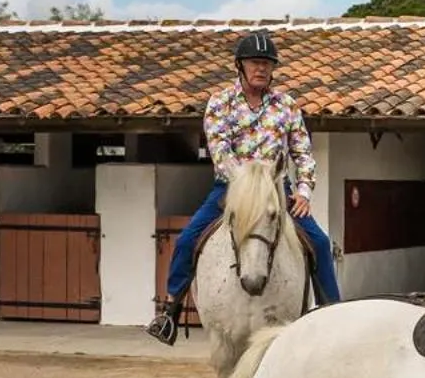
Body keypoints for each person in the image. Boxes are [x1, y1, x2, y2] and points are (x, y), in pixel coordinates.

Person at [147, 30, 343, 345]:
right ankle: (169, 311)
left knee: (319, 242)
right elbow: (220, 151)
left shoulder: (287, 105)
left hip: (278, 190)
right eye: (255, 62)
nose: (261, 69)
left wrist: (304, 191)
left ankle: (334, 314)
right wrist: (246, 186)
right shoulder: (220, 103)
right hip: (231, 187)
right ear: (240, 65)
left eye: (267, 63)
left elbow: (302, 153)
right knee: (186, 241)